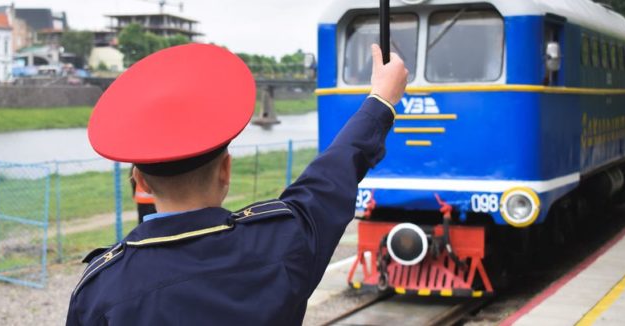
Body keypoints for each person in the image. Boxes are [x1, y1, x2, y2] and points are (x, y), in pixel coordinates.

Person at [66, 43, 408, 325]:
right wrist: (380, 100)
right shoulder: (283, 241)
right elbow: (334, 174)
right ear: (225, 171)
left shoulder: (101, 290)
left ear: (140, 181)